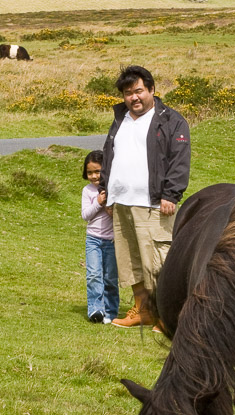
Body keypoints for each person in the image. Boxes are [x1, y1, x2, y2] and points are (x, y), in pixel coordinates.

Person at [98, 65, 191, 328]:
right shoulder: (120, 120)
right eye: (128, 93)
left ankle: (166, 314)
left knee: (158, 261)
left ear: (151, 89)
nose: (134, 98)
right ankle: (143, 311)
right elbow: (109, 155)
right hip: (120, 202)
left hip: (152, 203)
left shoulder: (171, 120)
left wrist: (171, 194)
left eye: (139, 91)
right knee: (130, 260)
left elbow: (180, 160)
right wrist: (106, 190)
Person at [81, 150, 120, 324]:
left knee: (110, 277)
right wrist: (97, 203)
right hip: (93, 240)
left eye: (98, 171)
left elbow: (118, 215)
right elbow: (85, 215)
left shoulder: (114, 189)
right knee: (94, 275)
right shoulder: (88, 191)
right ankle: (96, 309)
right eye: (90, 172)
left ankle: (111, 311)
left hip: (111, 240)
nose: (94, 176)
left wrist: (109, 207)